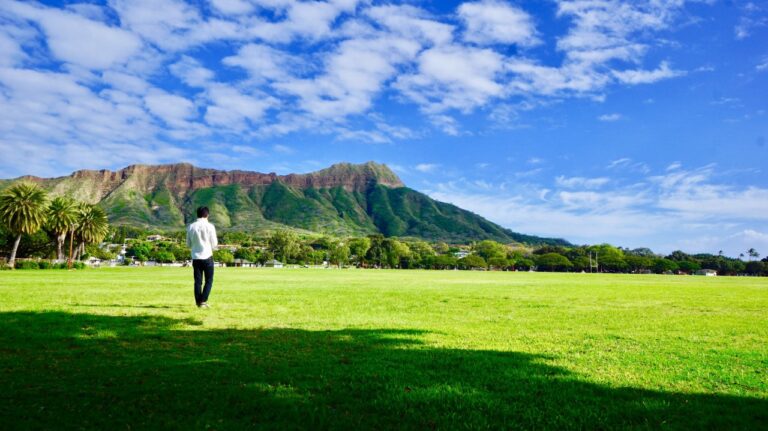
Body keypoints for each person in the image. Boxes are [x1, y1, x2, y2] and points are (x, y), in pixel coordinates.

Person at [186, 206, 218, 308]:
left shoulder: (191, 227)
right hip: (207, 256)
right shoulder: (210, 226)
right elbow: (214, 243)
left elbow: (188, 244)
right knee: (209, 280)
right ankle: (203, 301)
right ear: (207, 214)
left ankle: (198, 302)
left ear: (197, 214)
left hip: (196, 257)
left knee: (197, 281)